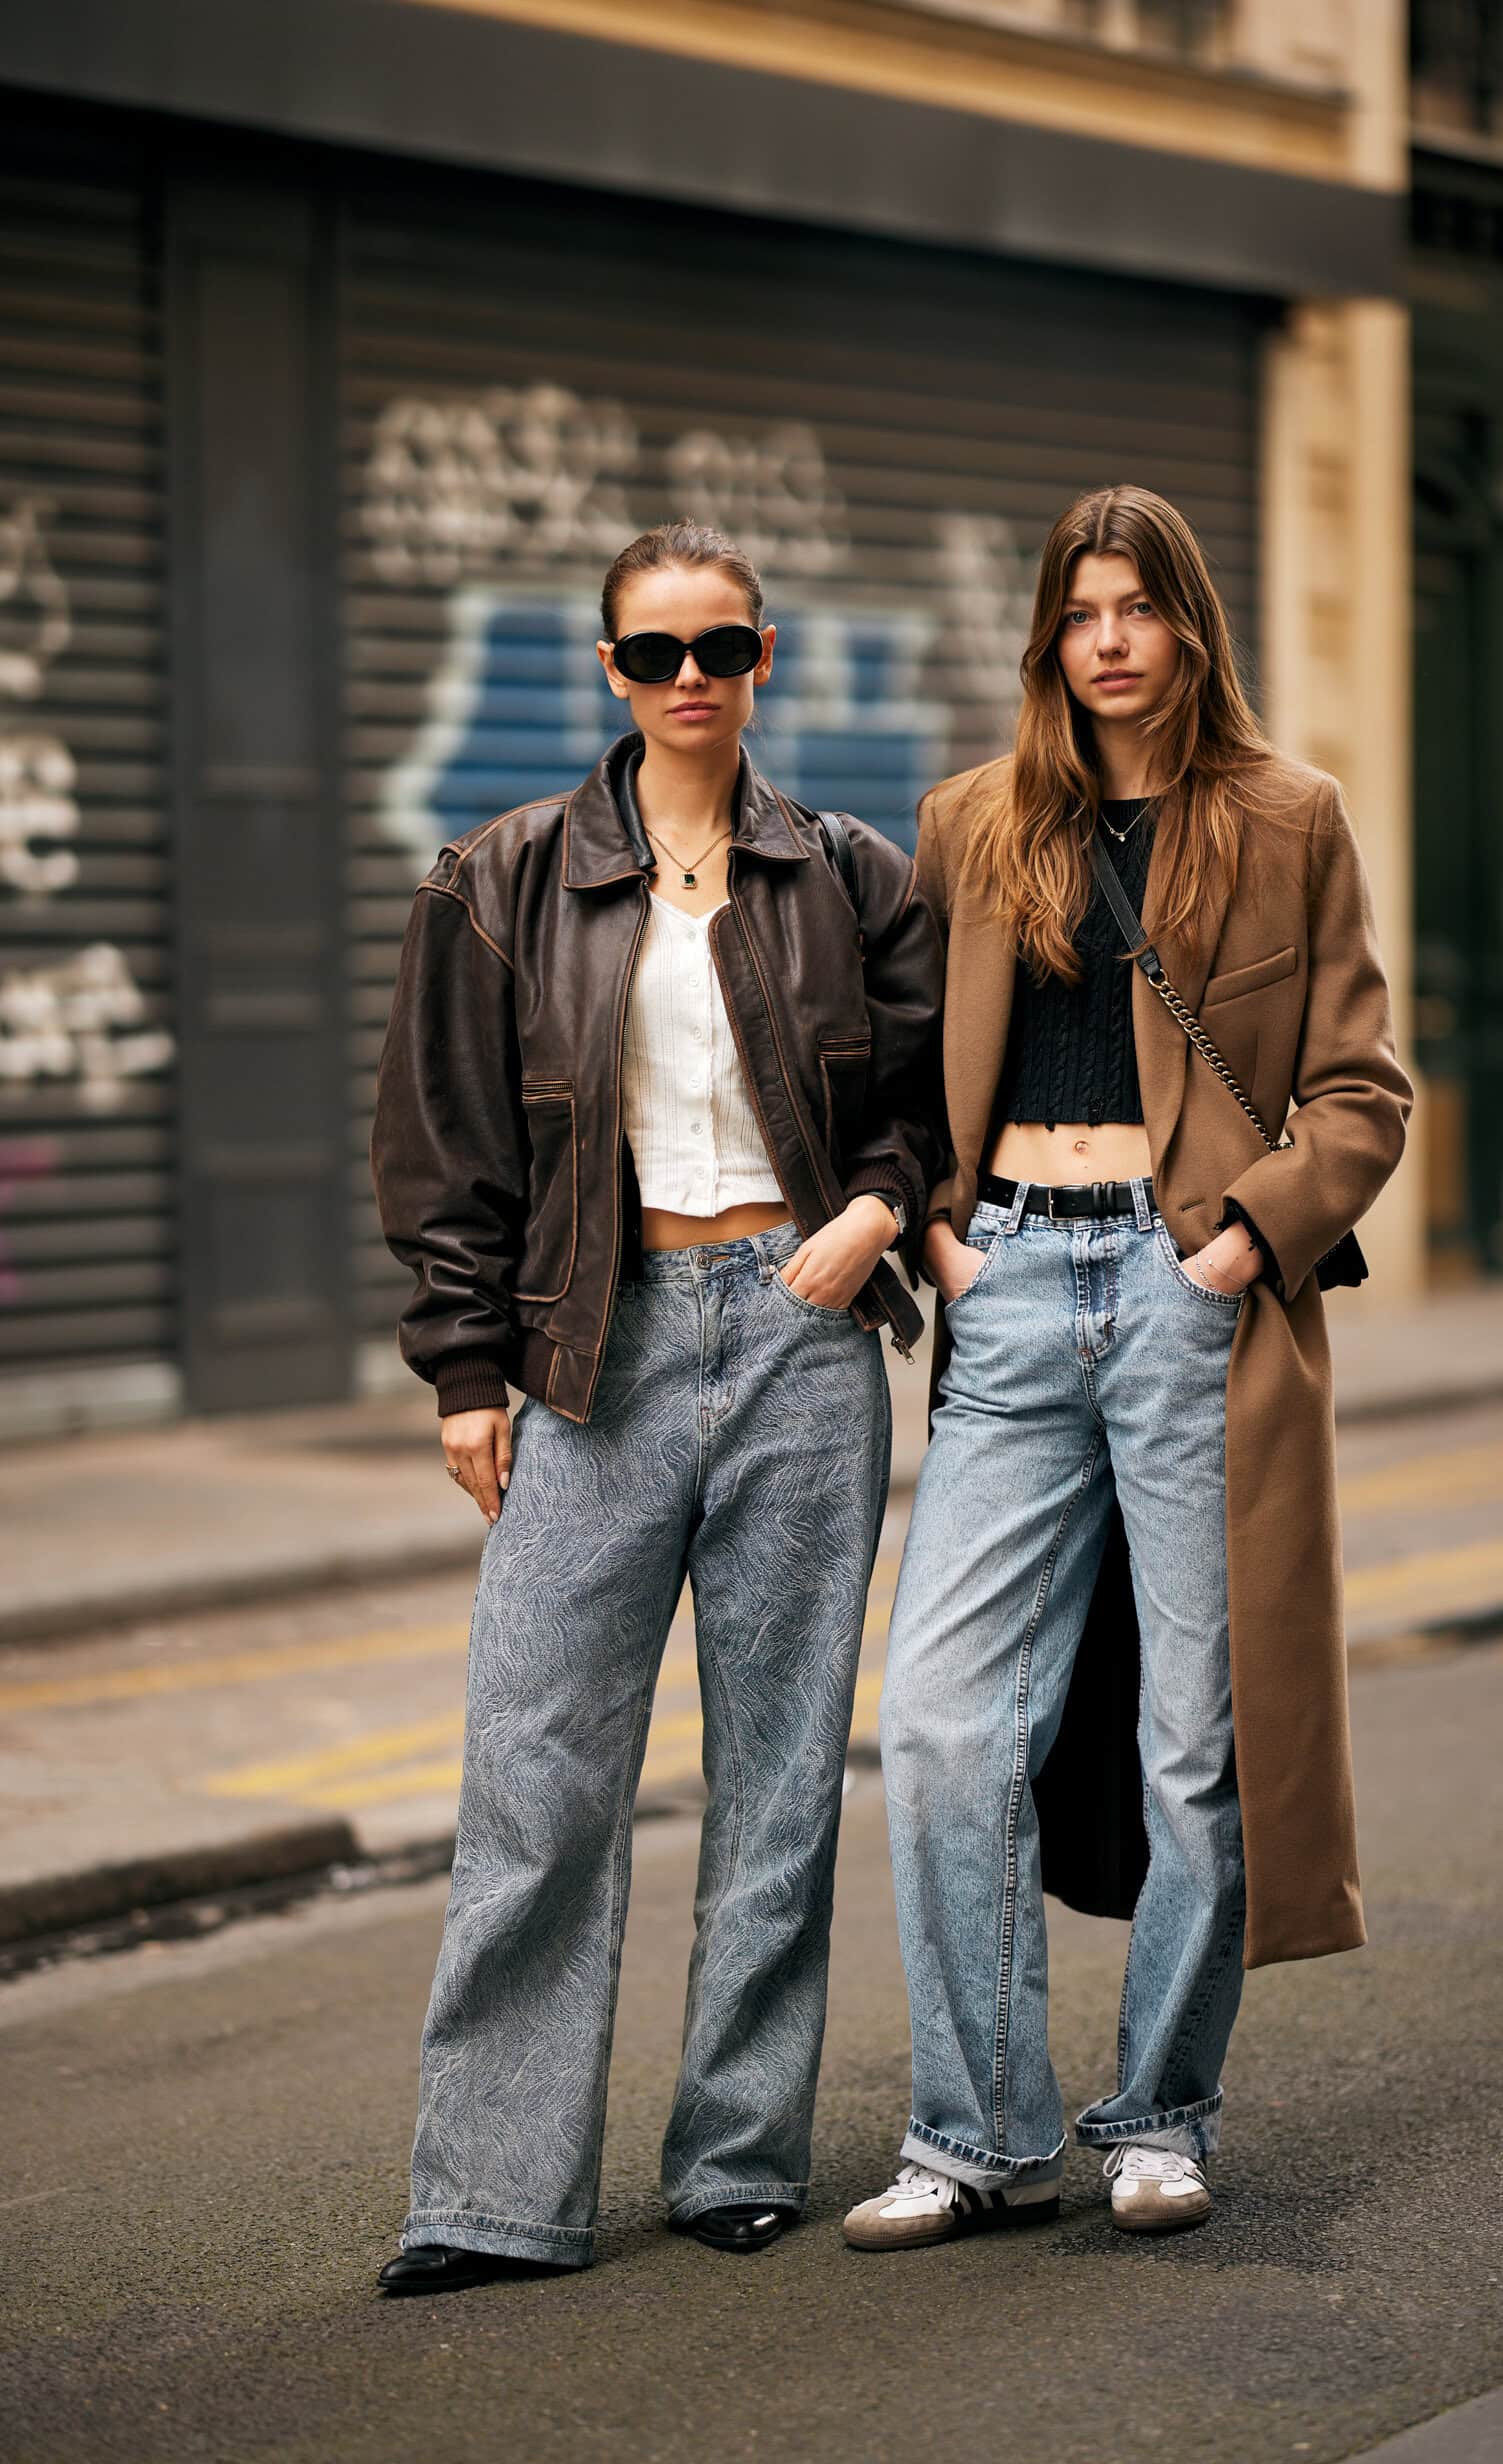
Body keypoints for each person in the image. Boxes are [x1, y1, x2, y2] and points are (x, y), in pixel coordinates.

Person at [370, 519, 944, 2295]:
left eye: (720, 648)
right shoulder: (502, 877)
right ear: (607, 669)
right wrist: (467, 1368)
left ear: (762, 658)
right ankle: (489, 2192)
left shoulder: (850, 875)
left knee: (779, 1779)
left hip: (798, 1337)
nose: (688, 680)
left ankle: (739, 2151)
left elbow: (930, 1108)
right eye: (652, 653)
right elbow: (442, 1146)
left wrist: (865, 1217)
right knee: (536, 1778)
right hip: (593, 1355)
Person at [844, 483, 1413, 2253]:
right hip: (1009, 1287)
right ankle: (977, 2133)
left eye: (1139, 606)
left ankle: (1160, 2112)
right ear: (1049, 633)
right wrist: (945, 1236)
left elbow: (1360, 1092)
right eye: (1081, 607)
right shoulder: (972, 821)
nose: (1109, 637)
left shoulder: (1287, 817)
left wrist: (1238, 1243)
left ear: (1189, 626)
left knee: (1194, 1737)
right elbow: (896, 1063)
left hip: (1189, 1302)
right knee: (942, 1725)